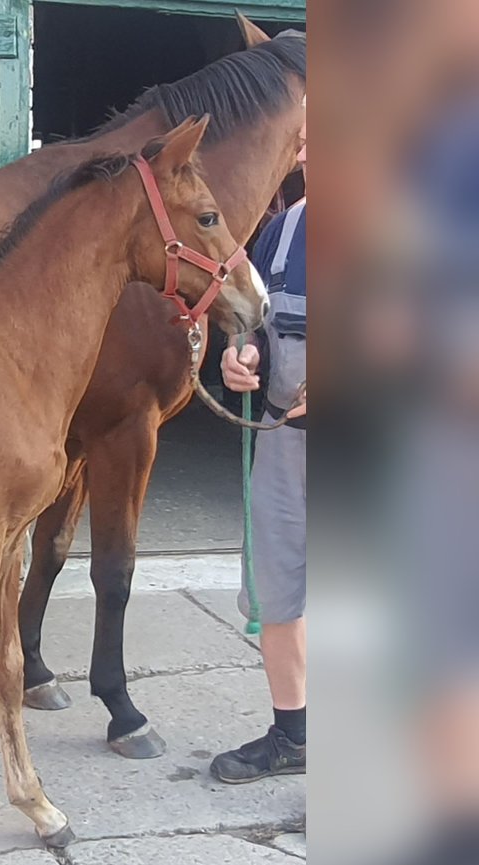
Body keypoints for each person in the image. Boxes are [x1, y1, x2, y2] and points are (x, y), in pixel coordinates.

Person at [211, 115, 307, 783]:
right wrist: (241, 357)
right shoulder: (285, 227)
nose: (300, 152)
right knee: (276, 594)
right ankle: (294, 735)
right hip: (284, 448)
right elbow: (262, 326)